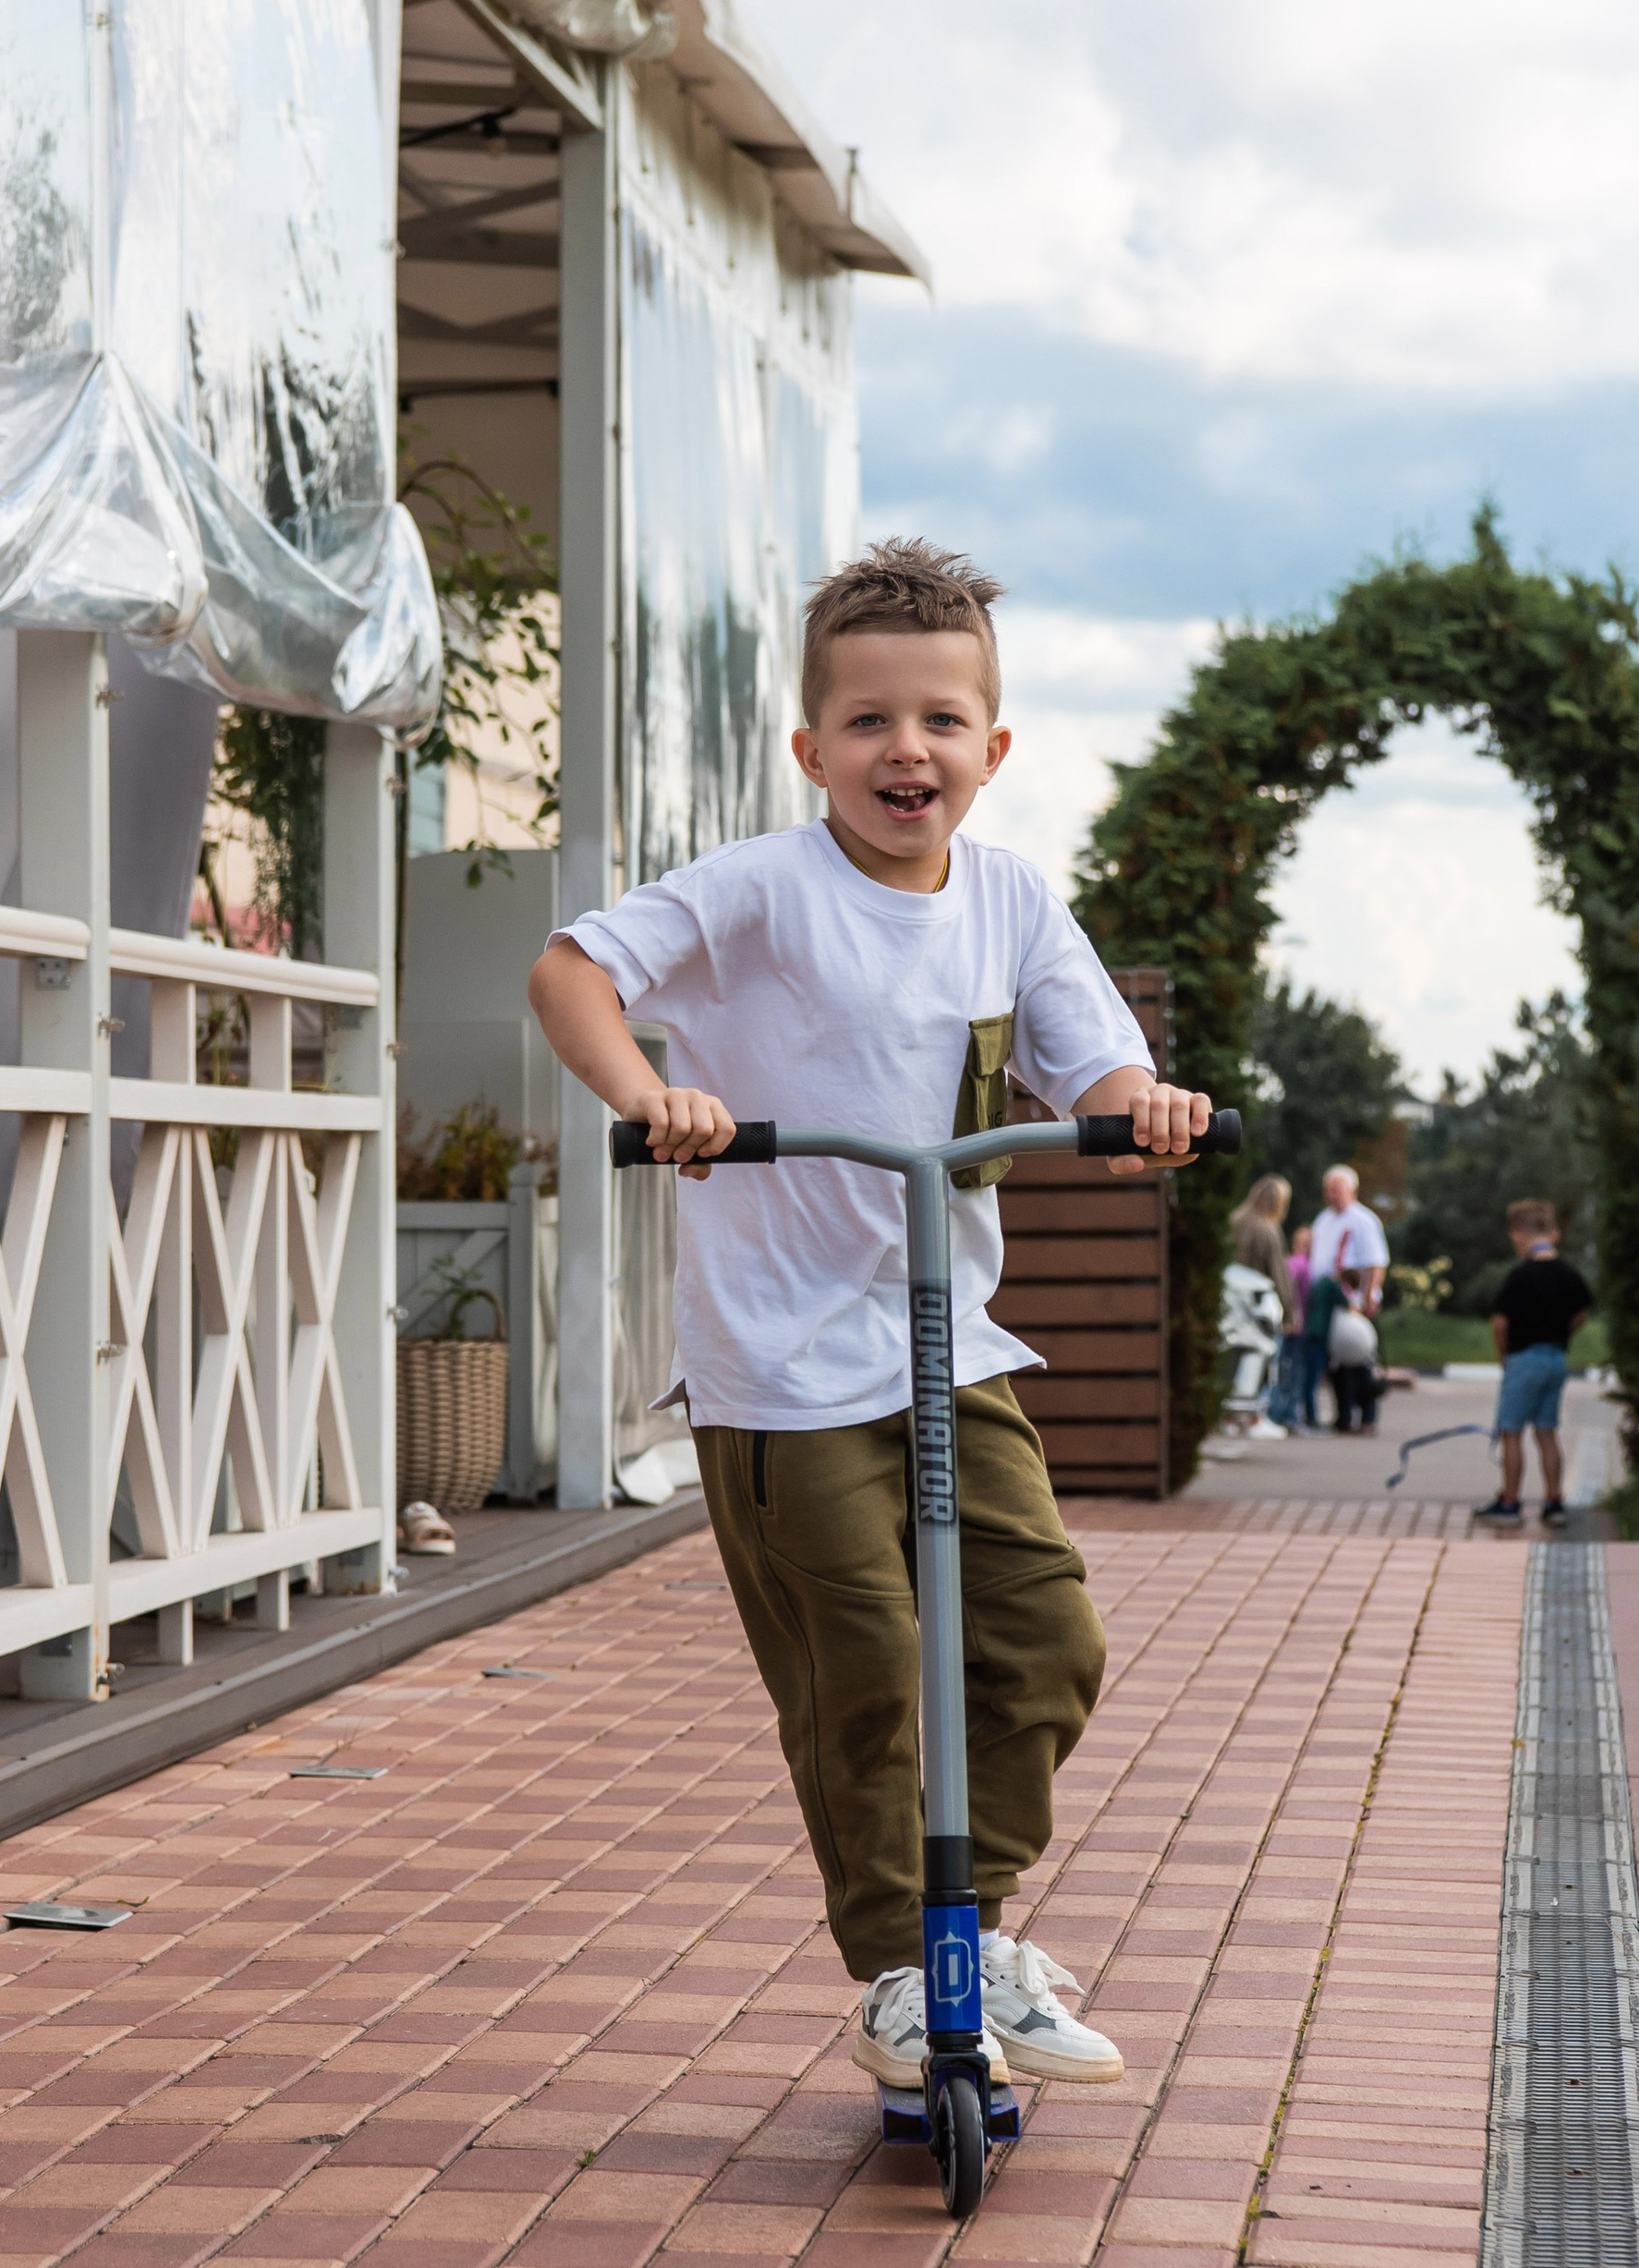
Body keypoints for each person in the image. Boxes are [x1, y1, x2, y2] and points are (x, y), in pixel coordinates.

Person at [527, 536, 1213, 2101]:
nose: (907, 749)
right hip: (779, 1371)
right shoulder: (763, 892)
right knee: (865, 1661)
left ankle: (969, 1932)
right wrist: (655, 1096)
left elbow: (1087, 1061)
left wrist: (1142, 1108)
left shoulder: (1013, 902)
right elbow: (573, 971)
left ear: (994, 748)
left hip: (943, 1350)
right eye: (869, 722)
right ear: (812, 748)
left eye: (941, 722)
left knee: (1043, 1637)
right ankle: (909, 1968)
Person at [1475, 1200, 1594, 1523]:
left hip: (1523, 1358)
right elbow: (1581, 1314)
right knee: (1547, 1432)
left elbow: (1500, 1324)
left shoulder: (1520, 1276)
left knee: (1511, 1431)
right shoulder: (1569, 1275)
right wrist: (1559, 1330)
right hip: (1556, 1358)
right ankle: (1554, 1502)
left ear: (1519, 1235)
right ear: (1551, 1234)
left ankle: (1511, 1503)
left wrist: (1505, 1357)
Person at [1306, 1162, 1389, 1433]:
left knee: (1360, 1358)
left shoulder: (1363, 1220)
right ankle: (1343, 1414)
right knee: (1337, 1363)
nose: (1332, 1195)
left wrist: (1368, 1298)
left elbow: (1375, 1262)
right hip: (1330, 1301)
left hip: (1353, 1299)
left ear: (1351, 1190)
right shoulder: (1323, 1220)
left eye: (1337, 1190)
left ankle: (1367, 1415)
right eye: (1328, 1190)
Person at [1225, 1176, 1293, 1440]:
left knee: (1234, 1360)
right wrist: (1289, 1310)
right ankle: (1254, 1417)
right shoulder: (1267, 1228)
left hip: (1231, 1304)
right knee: (1262, 1361)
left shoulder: (1236, 1220)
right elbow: (1279, 1274)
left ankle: (1229, 1417)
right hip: (1258, 1306)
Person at [1282, 1219, 1319, 1425]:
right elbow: (1292, 1293)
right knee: (1295, 1371)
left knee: (1289, 1369)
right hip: (1298, 1325)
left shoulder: (1292, 1262)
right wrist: (1294, 1316)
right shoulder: (1298, 1263)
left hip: (1296, 1323)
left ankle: (1288, 1412)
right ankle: (1290, 1414)